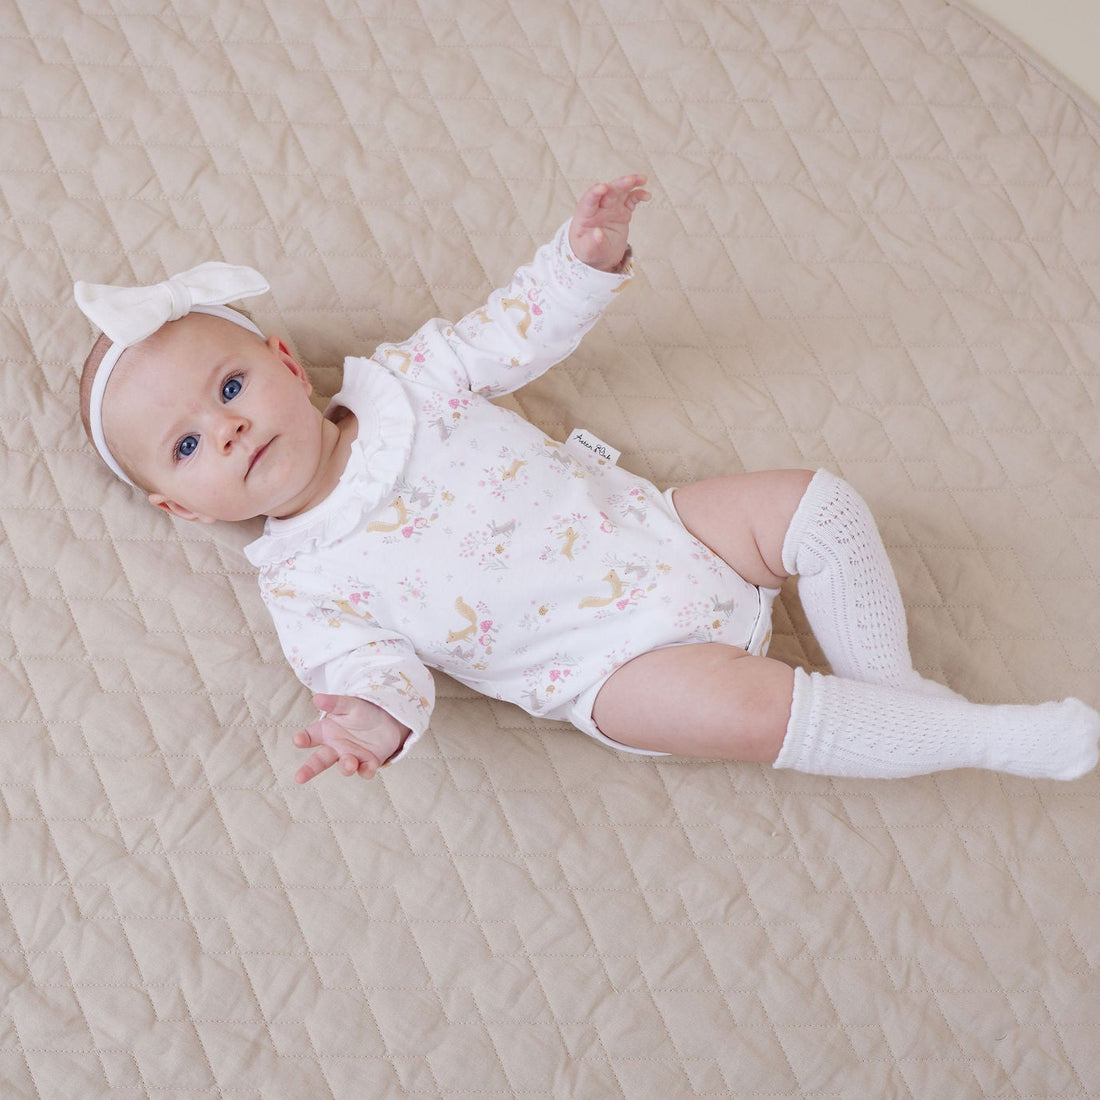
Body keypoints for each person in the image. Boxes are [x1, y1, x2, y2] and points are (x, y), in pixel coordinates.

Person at [73, 175, 1099, 785]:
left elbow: (509, 332)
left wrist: (581, 259)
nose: (227, 428)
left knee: (816, 503)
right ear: (179, 507)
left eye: (232, 386)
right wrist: (366, 727)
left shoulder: (406, 383)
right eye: (187, 447)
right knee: (763, 713)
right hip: (611, 670)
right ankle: (979, 737)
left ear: (287, 364)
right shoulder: (303, 585)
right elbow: (377, 672)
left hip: (667, 533)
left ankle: (894, 691)